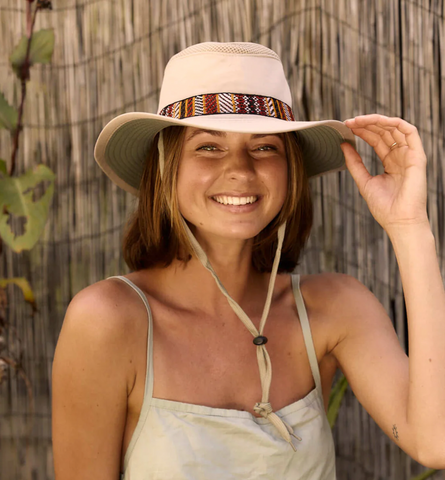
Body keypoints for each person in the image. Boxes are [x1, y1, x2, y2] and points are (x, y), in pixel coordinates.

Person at [51, 42, 445, 479]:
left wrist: (409, 227)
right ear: (166, 167)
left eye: (264, 148)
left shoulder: (333, 310)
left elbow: (435, 442)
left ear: (290, 167)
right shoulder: (108, 320)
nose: (240, 169)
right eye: (208, 147)